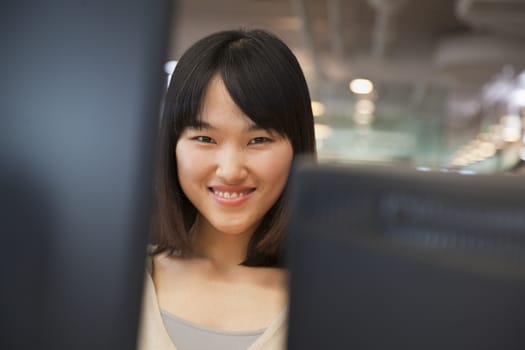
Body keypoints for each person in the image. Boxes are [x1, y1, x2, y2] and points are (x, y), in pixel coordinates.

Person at [137, 28, 316, 350]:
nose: (231, 170)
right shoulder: (120, 281)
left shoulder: (331, 299)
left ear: (297, 149)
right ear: (172, 148)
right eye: (205, 139)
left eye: (258, 140)